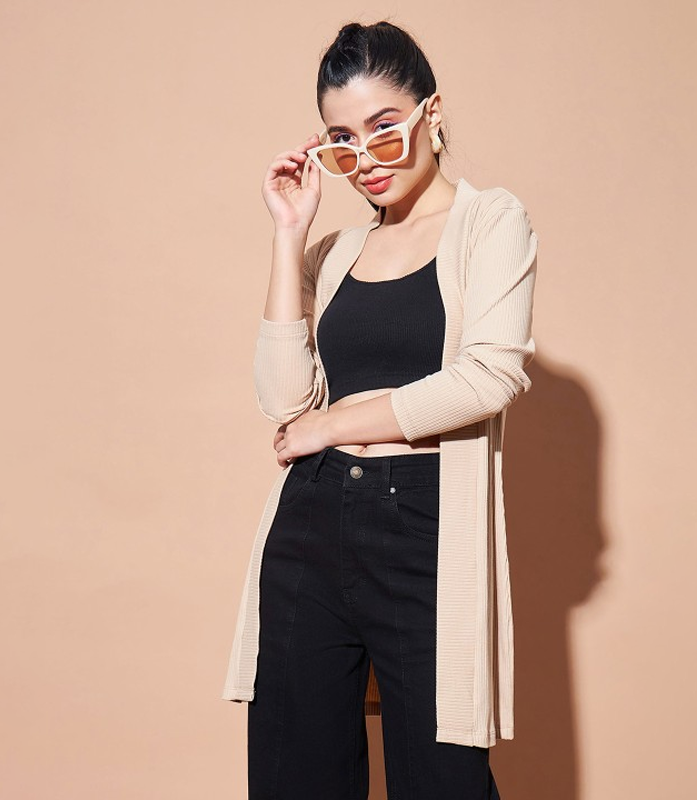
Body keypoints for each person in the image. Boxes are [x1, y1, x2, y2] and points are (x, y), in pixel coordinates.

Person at [222, 20, 538, 800]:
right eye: (342, 142)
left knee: (443, 778)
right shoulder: (334, 252)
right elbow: (283, 399)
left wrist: (331, 425)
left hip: (425, 526)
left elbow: (486, 379)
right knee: (296, 776)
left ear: (432, 113)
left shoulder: (492, 221)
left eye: (384, 129)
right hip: (311, 520)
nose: (366, 159)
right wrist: (289, 234)